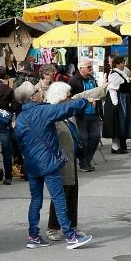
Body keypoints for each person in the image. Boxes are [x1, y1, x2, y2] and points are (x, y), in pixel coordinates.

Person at [13, 80, 102, 250]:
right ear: (33, 96)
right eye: (36, 91)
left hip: (32, 164)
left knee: (36, 200)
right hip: (48, 162)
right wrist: (85, 101)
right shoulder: (42, 110)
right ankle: (70, 236)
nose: (40, 92)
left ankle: (33, 236)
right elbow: (65, 108)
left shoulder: (21, 118)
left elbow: (19, 142)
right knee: (59, 198)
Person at [45, 82, 81, 242]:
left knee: (72, 192)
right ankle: (52, 227)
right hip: (59, 161)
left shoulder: (65, 113)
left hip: (70, 158)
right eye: (67, 96)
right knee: (61, 195)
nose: (70, 98)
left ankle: (72, 225)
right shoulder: (52, 115)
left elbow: (81, 98)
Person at [68, 57, 102, 172]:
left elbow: (97, 93)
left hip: (93, 113)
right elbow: (71, 98)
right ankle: (83, 161)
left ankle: (86, 160)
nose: (91, 69)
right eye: (88, 67)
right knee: (82, 138)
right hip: (80, 114)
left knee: (96, 136)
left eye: (91, 66)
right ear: (80, 68)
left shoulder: (92, 79)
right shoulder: (74, 80)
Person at [103, 55, 131, 155]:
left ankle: (119, 146)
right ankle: (116, 147)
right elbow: (112, 90)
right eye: (122, 62)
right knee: (117, 124)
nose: (123, 64)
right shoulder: (114, 74)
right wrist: (115, 104)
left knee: (121, 124)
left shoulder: (121, 72)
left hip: (123, 101)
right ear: (117, 64)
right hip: (119, 101)